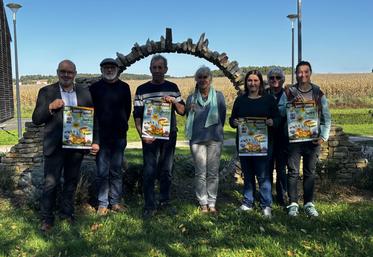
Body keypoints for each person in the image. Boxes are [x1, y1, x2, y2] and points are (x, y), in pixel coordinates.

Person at [32, 60, 99, 232]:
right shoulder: (46, 91)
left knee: (71, 182)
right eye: (63, 71)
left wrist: (95, 140)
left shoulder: (84, 92)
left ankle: (67, 215)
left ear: (75, 73)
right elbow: (36, 119)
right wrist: (50, 107)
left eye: (69, 72)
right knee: (50, 184)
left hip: (76, 146)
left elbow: (93, 119)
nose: (66, 75)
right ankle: (47, 219)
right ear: (57, 72)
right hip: (54, 147)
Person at [133, 55, 185, 218]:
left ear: (166, 69)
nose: (157, 70)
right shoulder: (141, 90)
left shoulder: (173, 87)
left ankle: (165, 201)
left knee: (166, 169)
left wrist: (174, 102)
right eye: (154, 67)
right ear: (150, 69)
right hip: (150, 136)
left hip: (169, 135)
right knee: (149, 170)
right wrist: (143, 135)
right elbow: (137, 115)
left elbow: (182, 111)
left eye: (160, 67)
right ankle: (149, 204)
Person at [229, 70, 280, 218]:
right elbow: (232, 119)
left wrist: (272, 122)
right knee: (248, 174)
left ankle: (266, 205)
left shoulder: (268, 99)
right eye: (250, 80)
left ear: (260, 82)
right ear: (246, 83)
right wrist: (234, 122)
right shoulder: (241, 100)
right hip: (245, 144)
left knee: (263, 176)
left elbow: (277, 118)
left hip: (263, 145)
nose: (252, 83)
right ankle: (247, 203)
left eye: (255, 80)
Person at [285, 61, 331, 217]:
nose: (302, 75)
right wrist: (290, 106)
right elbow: (280, 112)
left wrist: (323, 136)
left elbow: (326, 117)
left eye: (306, 72)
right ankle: (293, 204)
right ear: (296, 74)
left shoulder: (318, 93)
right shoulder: (289, 92)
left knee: (310, 172)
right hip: (294, 140)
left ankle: (308, 203)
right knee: (292, 172)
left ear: (310, 73)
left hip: (312, 140)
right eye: (299, 72)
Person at [89, 58, 132, 216]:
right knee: (102, 172)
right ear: (101, 70)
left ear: (117, 70)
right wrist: (94, 139)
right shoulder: (94, 88)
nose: (109, 70)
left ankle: (115, 202)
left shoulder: (124, 87)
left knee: (116, 170)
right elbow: (90, 114)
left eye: (112, 67)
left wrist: (120, 124)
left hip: (119, 136)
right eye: (106, 67)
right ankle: (102, 203)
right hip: (101, 137)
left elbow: (127, 110)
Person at [185, 66, 226, 214]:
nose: (203, 80)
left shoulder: (219, 96)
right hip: (197, 141)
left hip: (214, 139)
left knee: (213, 173)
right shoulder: (191, 98)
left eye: (205, 77)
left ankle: (212, 203)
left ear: (210, 79)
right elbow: (187, 117)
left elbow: (222, 116)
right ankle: (203, 202)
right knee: (200, 173)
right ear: (196, 79)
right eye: (200, 77)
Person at [266, 67, 288, 207]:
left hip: (283, 137)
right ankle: (266, 197)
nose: (275, 80)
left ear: (282, 80)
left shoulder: (288, 94)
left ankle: (282, 197)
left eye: (278, 77)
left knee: (281, 169)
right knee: (267, 168)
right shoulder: (264, 94)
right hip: (266, 136)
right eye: (272, 78)